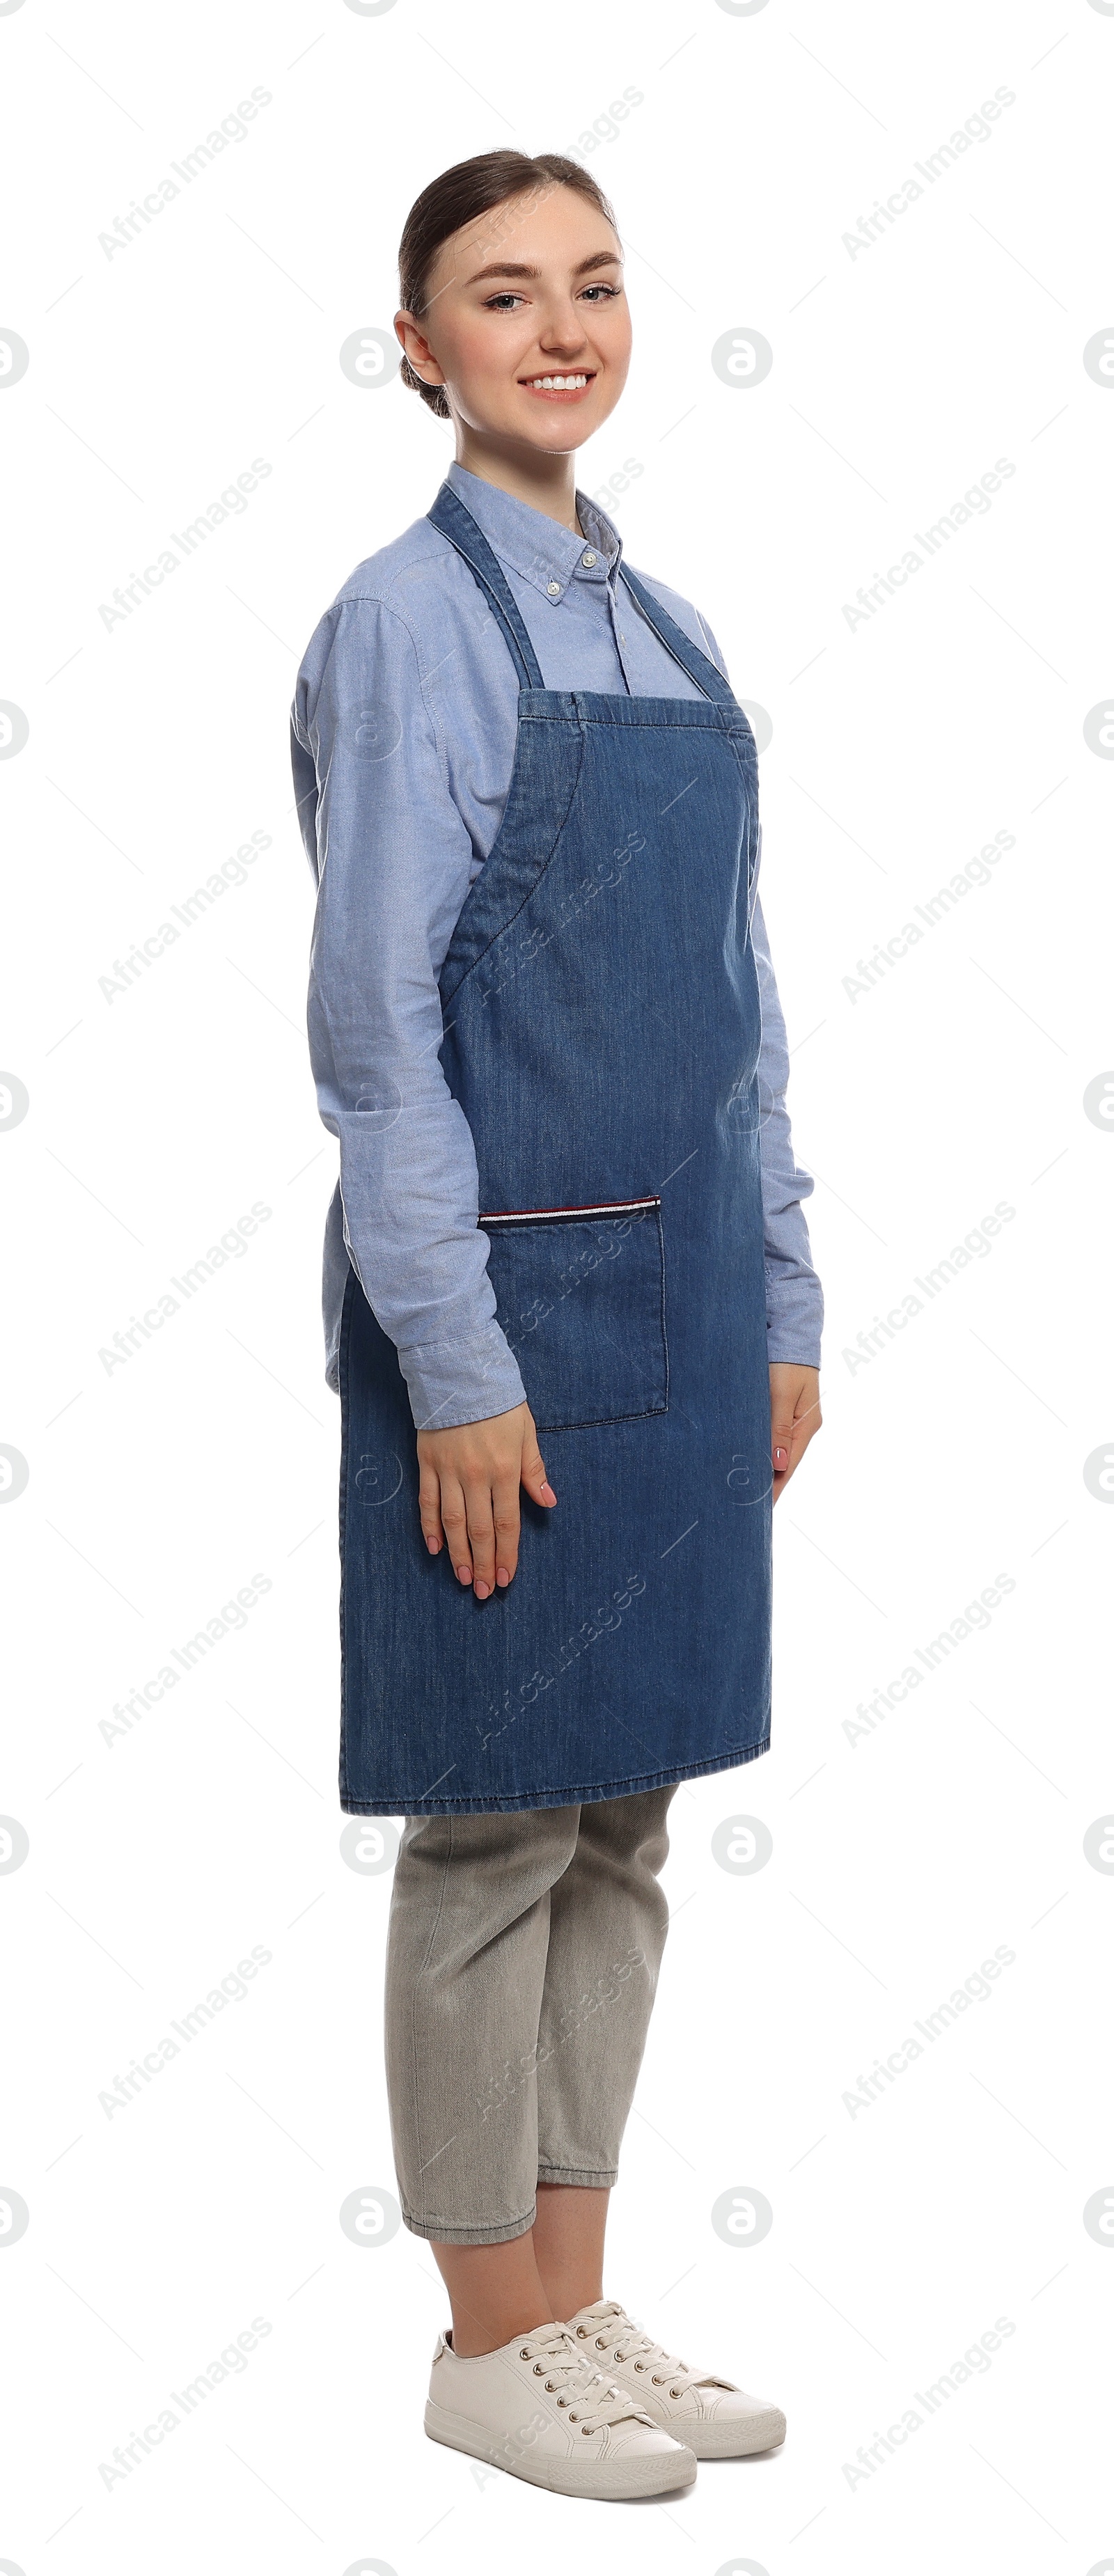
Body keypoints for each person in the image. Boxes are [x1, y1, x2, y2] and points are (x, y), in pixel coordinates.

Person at [291, 149, 823, 2502]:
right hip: (505, 1327)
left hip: (685, 1314)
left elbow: (739, 1009)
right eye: (502, 296)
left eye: (596, 285)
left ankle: (578, 2306)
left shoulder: (673, 631)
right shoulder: (408, 625)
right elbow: (378, 1036)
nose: (562, 328)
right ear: (420, 347)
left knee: (622, 1819)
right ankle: (479, 2330)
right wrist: (459, 1363)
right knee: (492, 1827)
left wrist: (782, 1283)